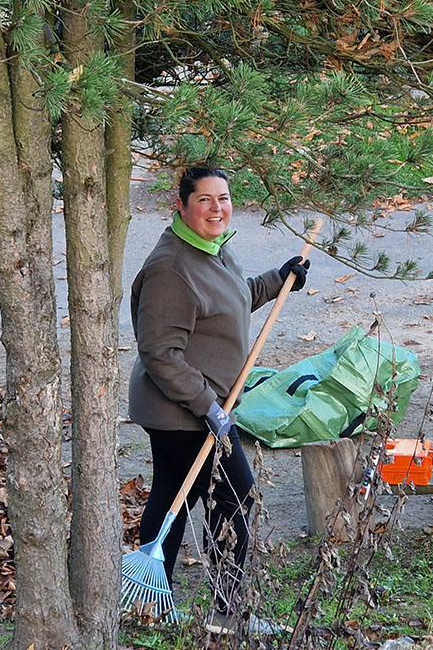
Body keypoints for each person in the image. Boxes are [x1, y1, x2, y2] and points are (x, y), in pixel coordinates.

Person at [128, 166, 309, 625]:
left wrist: (277, 278)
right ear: (182, 205)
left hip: (199, 406)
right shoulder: (171, 267)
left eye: (223, 198)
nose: (216, 209)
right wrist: (208, 406)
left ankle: (154, 603)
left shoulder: (213, 250)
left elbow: (231, 300)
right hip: (181, 408)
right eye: (204, 200)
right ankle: (229, 612)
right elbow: (159, 352)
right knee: (236, 495)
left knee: (174, 495)